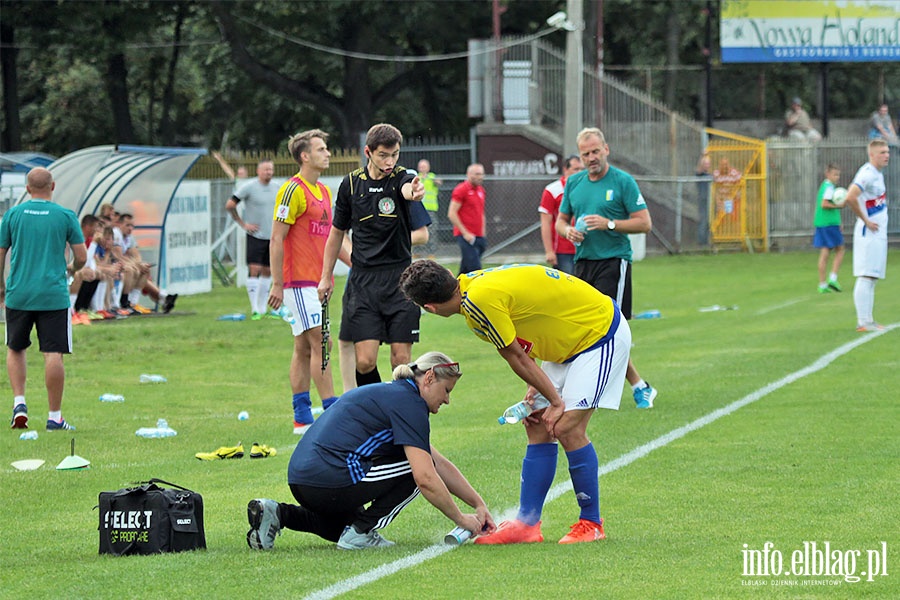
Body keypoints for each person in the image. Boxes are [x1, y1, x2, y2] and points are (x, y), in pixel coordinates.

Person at [400, 261, 631, 544]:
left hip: (598, 335)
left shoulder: (477, 305)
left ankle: (591, 523)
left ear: (430, 308)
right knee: (536, 424)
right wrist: (535, 388)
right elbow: (522, 337)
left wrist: (556, 401)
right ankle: (527, 523)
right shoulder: (472, 286)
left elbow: (515, 355)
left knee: (568, 427)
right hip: (567, 343)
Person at [245, 351, 496, 550]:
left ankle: (277, 513)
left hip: (302, 479)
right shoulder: (410, 403)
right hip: (330, 476)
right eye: (447, 391)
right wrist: (461, 520)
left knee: (340, 529)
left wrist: (478, 504)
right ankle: (363, 532)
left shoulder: (396, 394)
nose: (447, 400)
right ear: (429, 378)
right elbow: (427, 476)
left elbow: (439, 462)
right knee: (416, 470)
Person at [556, 127, 658, 409]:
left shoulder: (622, 181)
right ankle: (640, 385)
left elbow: (644, 223)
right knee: (588, 328)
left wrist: (609, 224)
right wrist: (568, 233)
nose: (591, 157)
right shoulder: (574, 183)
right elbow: (561, 221)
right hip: (583, 262)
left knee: (609, 328)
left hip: (614, 260)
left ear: (606, 150)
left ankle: (625, 388)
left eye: (595, 151)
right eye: (585, 153)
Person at [318, 123, 425, 388]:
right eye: (383, 155)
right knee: (364, 361)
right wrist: (325, 277)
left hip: (401, 282)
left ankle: (402, 416)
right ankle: (376, 411)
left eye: (395, 154)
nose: (390, 162)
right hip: (363, 283)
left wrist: (414, 193)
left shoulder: (401, 177)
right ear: (368, 152)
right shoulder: (351, 184)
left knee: (400, 361)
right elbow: (335, 234)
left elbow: (406, 188)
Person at [269, 129, 350, 435]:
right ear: (305, 156)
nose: (327, 153)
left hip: (317, 282)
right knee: (323, 341)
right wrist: (277, 283)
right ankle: (331, 411)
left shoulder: (326, 193)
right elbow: (277, 239)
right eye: (321, 149)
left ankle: (302, 417)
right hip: (297, 282)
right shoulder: (292, 190)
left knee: (304, 347)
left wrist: (362, 265)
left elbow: (334, 240)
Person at [1, 167, 87, 431]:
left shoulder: (12, 215)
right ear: (53, 186)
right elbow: (81, 256)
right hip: (53, 295)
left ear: (28, 189)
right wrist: (71, 269)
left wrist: (2, 288)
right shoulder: (65, 215)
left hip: (19, 293)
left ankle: (19, 404)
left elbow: (1, 253)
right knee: (53, 353)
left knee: (16, 348)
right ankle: (54, 416)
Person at [844, 138, 890, 332]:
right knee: (866, 275)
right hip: (868, 232)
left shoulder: (878, 174)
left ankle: (868, 320)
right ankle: (863, 321)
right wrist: (865, 219)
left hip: (877, 232)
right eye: (882, 153)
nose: (886, 156)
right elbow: (850, 196)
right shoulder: (867, 173)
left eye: (887, 152)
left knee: (872, 276)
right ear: (872, 155)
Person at [226, 158, 278, 320]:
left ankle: (263, 307)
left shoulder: (278, 187)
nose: (268, 172)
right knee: (254, 269)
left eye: (270, 169)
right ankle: (254, 307)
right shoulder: (249, 187)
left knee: (268, 271)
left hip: (273, 236)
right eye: (265, 170)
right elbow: (230, 205)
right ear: (258, 171)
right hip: (256, 235)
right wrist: (243, 224)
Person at [539, 155, 582, 274]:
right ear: (565, 169)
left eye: (582, 169)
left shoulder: (586, 189)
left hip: (584, 249)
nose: (579, 172)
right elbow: (545, 222)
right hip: (563, 251)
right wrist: (549, 251)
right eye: (576, 169)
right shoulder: (552, 190)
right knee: (567, 287)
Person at [448, 163, 486, 274]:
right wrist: (465, 233)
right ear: (469, 174)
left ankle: (456, 288)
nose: (480, 177)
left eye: (482, 174)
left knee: (465, 269)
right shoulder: (461, 190)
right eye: (477, 174)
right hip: (465, 236)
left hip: (478, 235)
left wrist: (483, 232)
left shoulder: (481, 190)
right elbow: (452, 213)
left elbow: (481, 212)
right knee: (475, 268)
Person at [812, 163, 845, 294]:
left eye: (838, 175)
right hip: (828, 225)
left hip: (823, 223)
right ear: (828, 174)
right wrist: (839, 206)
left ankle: (822, 284)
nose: (837, 177)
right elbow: (824, 204)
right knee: (840, 249)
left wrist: (839, 221)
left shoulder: (825, 186)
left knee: (825, 253)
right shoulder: (829, 187)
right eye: (835, 174)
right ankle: (833, 278)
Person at [417, 159, 442, 258]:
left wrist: (436, 181)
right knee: (417, 229)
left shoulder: (432, 177)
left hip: (430, 209)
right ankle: (417, 252)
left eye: (424, 166)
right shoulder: (416, 177)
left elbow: (439, 182)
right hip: (419, 209)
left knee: (432, 231)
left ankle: (431, 252)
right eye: (421, 166)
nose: (422, 168)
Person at [695, 151, 712, 246]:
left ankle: (708, 241)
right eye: (705, 163)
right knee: (703, 220)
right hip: (703, 201)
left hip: (710, 201)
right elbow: (699, 168)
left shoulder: (709, 175)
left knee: (709, 221)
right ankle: (702, 242)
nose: (707, 165)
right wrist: (703, 155)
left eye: (708, 163)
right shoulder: (700, 175)